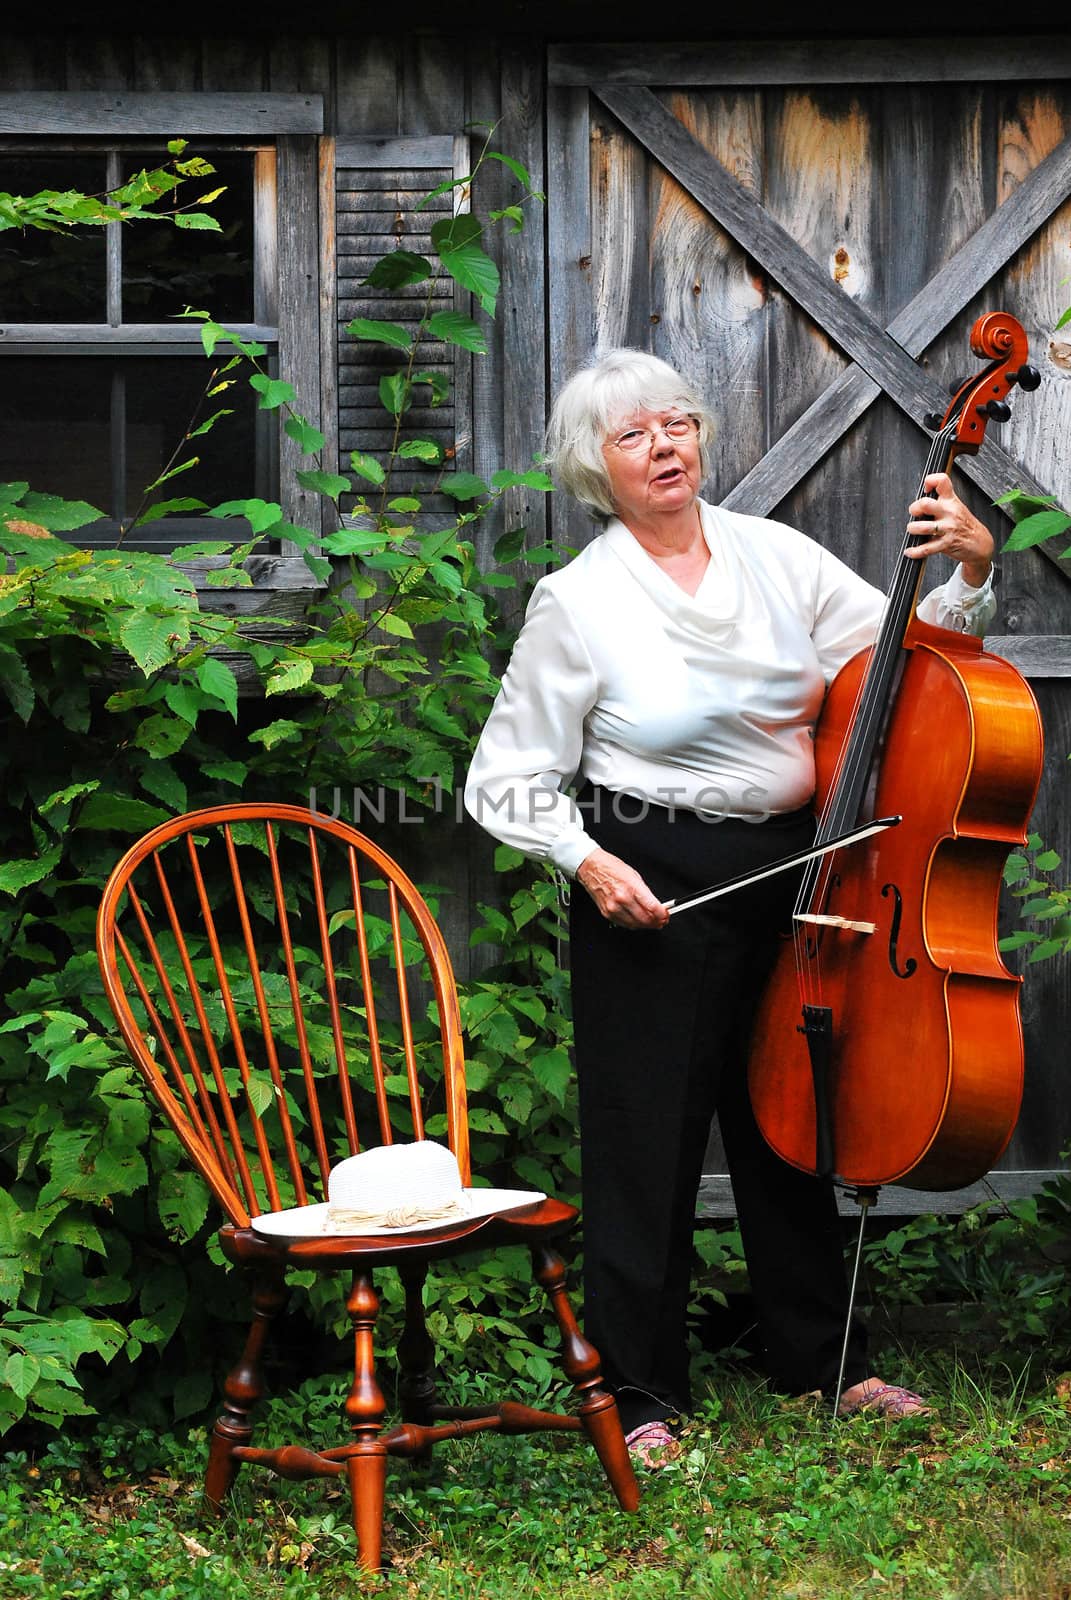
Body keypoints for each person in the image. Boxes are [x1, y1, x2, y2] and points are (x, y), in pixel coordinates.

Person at [462, 348, 997, 1466]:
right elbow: (505, 778)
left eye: (676, 424)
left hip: (805, 872)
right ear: (594, 470)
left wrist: (973, 573)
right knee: (645, 1141)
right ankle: (643, 1390)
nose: (664, 447)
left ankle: (824, 1362)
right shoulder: (580, 601)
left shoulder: (774, 555)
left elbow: (905, 662)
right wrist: (589, 863)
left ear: (702, 438)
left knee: (799, 1120)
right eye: (632, 436)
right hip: (650, 877)